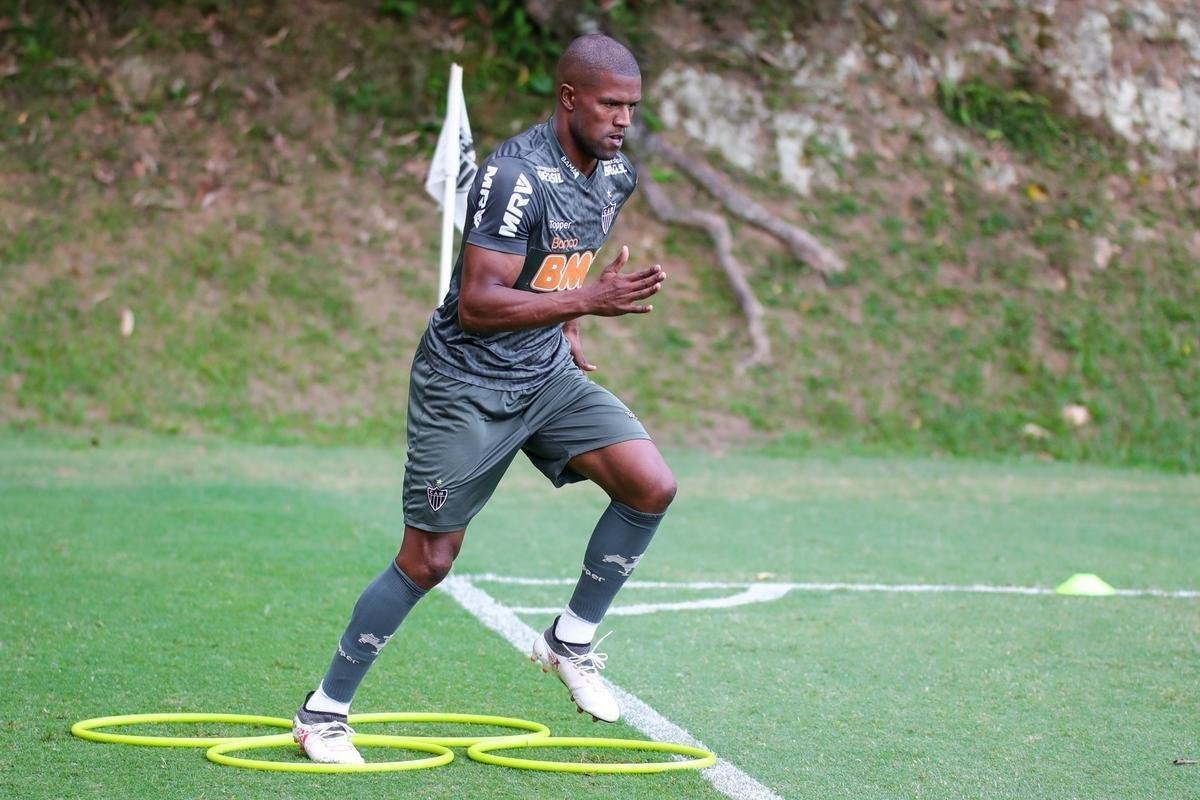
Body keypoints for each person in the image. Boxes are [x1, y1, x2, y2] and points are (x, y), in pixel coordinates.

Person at [291, 34, 675, 764]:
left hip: (545, 376)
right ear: (570, 98)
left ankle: (572, 639)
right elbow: (477, 303)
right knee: (430, 559)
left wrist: (567, 323)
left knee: (650, 484)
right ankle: (323, 711)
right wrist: (589, 301)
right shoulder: (514, 176)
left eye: (632, 106)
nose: (624, 119)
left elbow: (554, 268)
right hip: (465, 385)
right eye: (610, 103)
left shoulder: (614, 176)